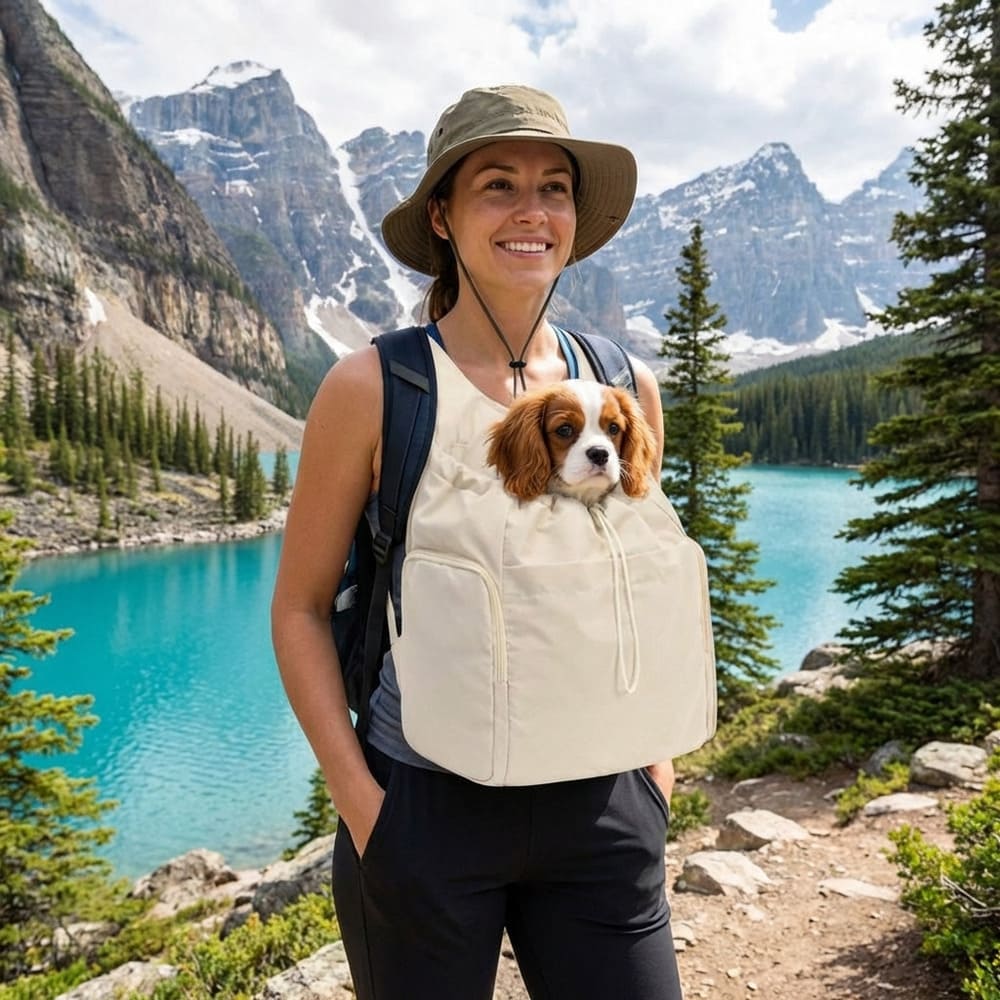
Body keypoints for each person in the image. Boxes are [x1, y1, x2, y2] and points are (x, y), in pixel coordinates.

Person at [270, 84, 685, 1000]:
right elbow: (299, 608)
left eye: (555, 188)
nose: (533, 210)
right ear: (444, 217)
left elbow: (647, 586)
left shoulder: (623, 386)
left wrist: (654, 773)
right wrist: (366, 808)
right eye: (498, 185)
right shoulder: (374, 385)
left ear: (577, 217)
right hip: (424, 809)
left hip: (603, 801)